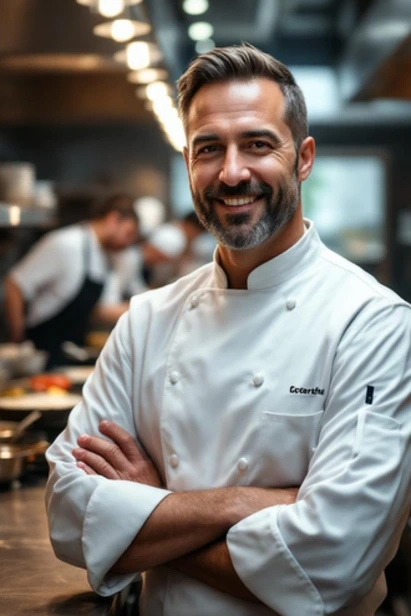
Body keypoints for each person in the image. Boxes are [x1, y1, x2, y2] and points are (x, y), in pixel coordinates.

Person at [45, 43, 411, 616]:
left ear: (304, 158)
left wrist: (145, 511)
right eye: (209, 148)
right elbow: (70, 517)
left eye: (258, 144)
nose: (232, 172)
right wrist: (245, 503)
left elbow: (333, 563)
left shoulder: (373, 323)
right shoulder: (147, 320)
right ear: (189, 161)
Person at [4, 193, 139, 367]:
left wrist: (147, 307)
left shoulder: (105, 256)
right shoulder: (65, 243)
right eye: (128, 233)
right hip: (38, 350)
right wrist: (17, 339)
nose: (128, 243)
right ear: (113, 219)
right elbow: (15, 284)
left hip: (69, 354)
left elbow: (101, 310)